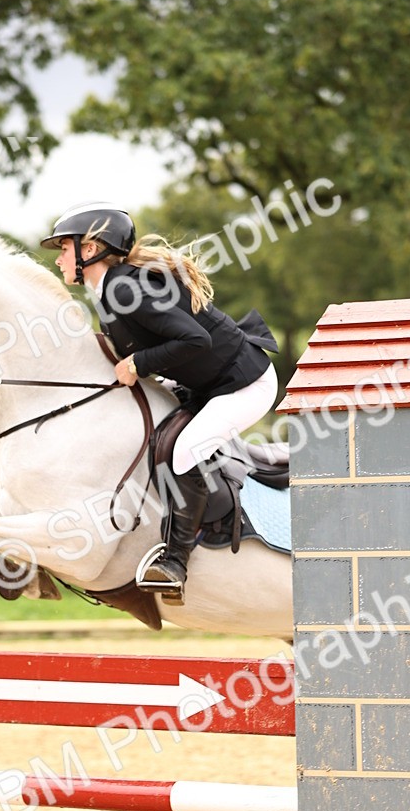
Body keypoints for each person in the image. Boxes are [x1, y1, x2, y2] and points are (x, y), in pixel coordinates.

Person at [40, 202, 279, 605]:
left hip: (245, 384)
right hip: (208, 383)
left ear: (91, 249)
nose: (59, 258)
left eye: (65, 248)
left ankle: (175, 562)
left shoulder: (123, 288)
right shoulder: (109, 291)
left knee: (186, 451)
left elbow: (195, 340)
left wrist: (138, 363)